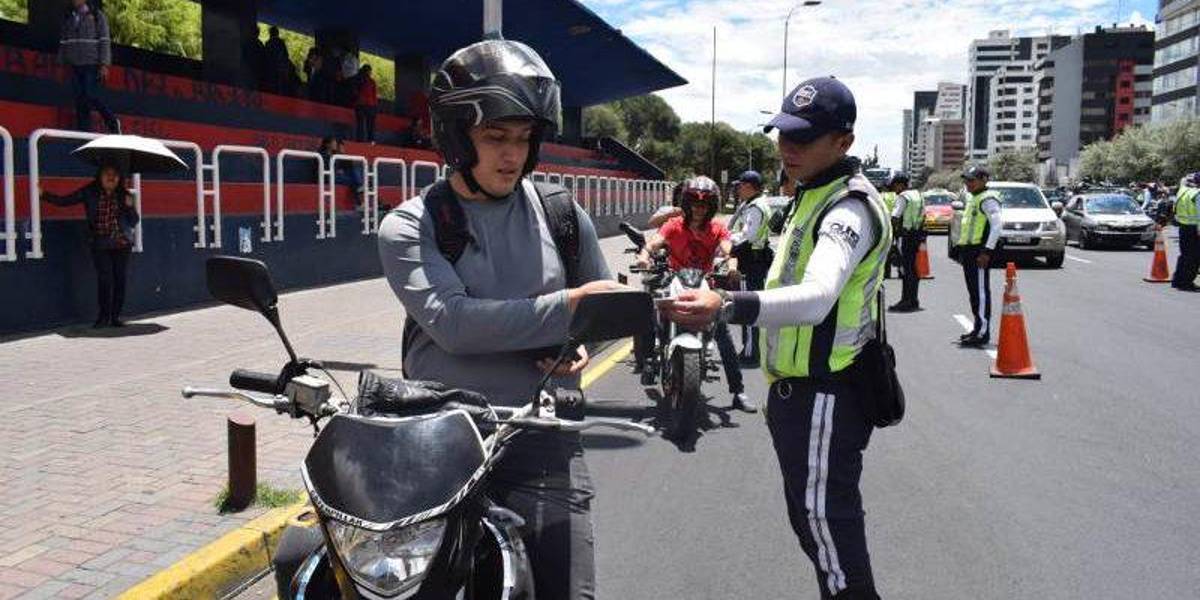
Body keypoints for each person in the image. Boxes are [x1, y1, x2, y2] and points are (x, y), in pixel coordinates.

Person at [377, 39, 623, 599]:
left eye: (523, 138)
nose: (511, 155)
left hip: (541, 433)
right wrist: (569, 311)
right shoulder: (411, 226)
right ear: (455, 135)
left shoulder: (562, 211)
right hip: (441, 437)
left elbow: (599, 305)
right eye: (494, 137)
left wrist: (581, 341)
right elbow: (453, 323)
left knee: (567, 589)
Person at [663, 76, 892, 599]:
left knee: (831, 537)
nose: (788, 147)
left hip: (826, 392)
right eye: (782, 134)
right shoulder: (808, 197)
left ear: (843, 143)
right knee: (816, 529)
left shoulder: (847, 208)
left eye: (803, 138)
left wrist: (725, 306)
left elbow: (816, 298)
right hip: (800, 393)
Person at [635, 176, 756, 413]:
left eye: (704, 205)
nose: (699, 209)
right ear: (687, 203)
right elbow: (654, 243)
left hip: (704, 283)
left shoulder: (717, 228)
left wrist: (732, 265)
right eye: (694, 203)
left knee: (722, 329)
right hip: (675, 280)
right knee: (651, 309)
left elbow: (727, 249)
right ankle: (648, 361)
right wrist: (644, 255)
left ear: (711, 207)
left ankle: (738, 391)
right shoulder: (674, 225)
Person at [41, 163, 139, 328]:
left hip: (122, 243)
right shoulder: (89, 192)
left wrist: (130, 207)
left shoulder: (125, 195)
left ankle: (115, 317)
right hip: (100, 243)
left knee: (120, 280)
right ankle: (103, 317)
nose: (111, 177)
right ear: (99, 176)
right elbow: (65, 201)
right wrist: (43, 194)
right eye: (107, 174)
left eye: (114, 175)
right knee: (105, 280)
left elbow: (134, 221)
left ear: (119, 179)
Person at [727, 170, 774, 364]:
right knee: (751, 307)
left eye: (740, 185)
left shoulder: (755, 208)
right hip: (753, 259)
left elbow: (748, 236)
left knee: (748, 308)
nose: (737, 189)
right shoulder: (752, 204)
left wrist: (725, 242)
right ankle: (753, 350)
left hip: (750, 261)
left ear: (748, 186)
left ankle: (750, 353)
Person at [955, 165, 1003, 346]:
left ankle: (982, 333)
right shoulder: (974, 198)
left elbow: (997, 226)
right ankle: (977, 328)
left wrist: (986, 252)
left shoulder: (988, 199)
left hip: (979, 252)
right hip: (970, 252)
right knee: (974, 293)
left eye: (972, 180)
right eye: (966, 180)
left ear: (984, 179)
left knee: (980, 293)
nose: (968, 184)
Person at [58, 0, 119, 133]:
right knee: (79, 99)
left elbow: (104, 41)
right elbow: (64, 41)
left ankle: (112, 120)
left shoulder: (97, 16)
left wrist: (104, 64)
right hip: (74, 64)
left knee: (90, 95)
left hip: (91, 63)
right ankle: (83, 132)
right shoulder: (69, 16)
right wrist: (61, 62)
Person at [887, 171, 924, 312]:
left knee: (905, 269)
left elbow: (895, 216)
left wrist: (890, 235)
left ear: (901, 185)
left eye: (895, 186)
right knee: (912, 269)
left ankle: (906, 301)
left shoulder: (903, 197)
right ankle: (913, 300)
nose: (894, 189)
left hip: (905, 236)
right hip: (916, 235)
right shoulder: (918, 195)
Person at [1172, 172, 1199, 291]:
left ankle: (1177, 280)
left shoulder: (1183, 191)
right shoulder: (1197, 194)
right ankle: (1186, 283)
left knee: (1185, 256)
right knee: (1194, 257)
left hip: (1183, 227)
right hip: (1195, 229)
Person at [879, 174, 901, 280]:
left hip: (886, 226)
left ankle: (886, 272)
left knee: (886, 250)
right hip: (897, 225)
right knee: (898, 249)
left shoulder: (881, 196)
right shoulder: (897, 196)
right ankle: (901, 270)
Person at [354, 64, 378, 143]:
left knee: (367, 124)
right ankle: (366, 140)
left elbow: (374, 95)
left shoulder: (370, 81)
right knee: (364, 124)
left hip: (367, 105)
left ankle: (368, 140)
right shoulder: (361, 80)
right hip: (364, 105)